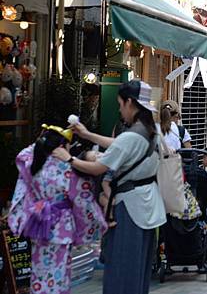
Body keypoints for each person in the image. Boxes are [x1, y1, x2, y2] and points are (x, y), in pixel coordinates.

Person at [52, 80, 166, 294]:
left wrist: (68, 159)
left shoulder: (133, 135)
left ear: (130, 102)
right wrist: (86, 135)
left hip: (130, 208)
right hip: (148, 205)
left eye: (120, 104)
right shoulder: (152, 130)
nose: (120, 109)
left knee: (122, 269)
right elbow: (119, 145)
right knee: (138, 269)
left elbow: (97, 168)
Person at [9, 125, 107, 294]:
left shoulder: (34, 163)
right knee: (59, 271)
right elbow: (81, 199)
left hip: (38, 220)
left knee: (39, 269)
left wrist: (42, 142)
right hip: (61, 225)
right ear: (62, 147)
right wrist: (95, 222)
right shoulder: (67, 170)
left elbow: (23, 156)